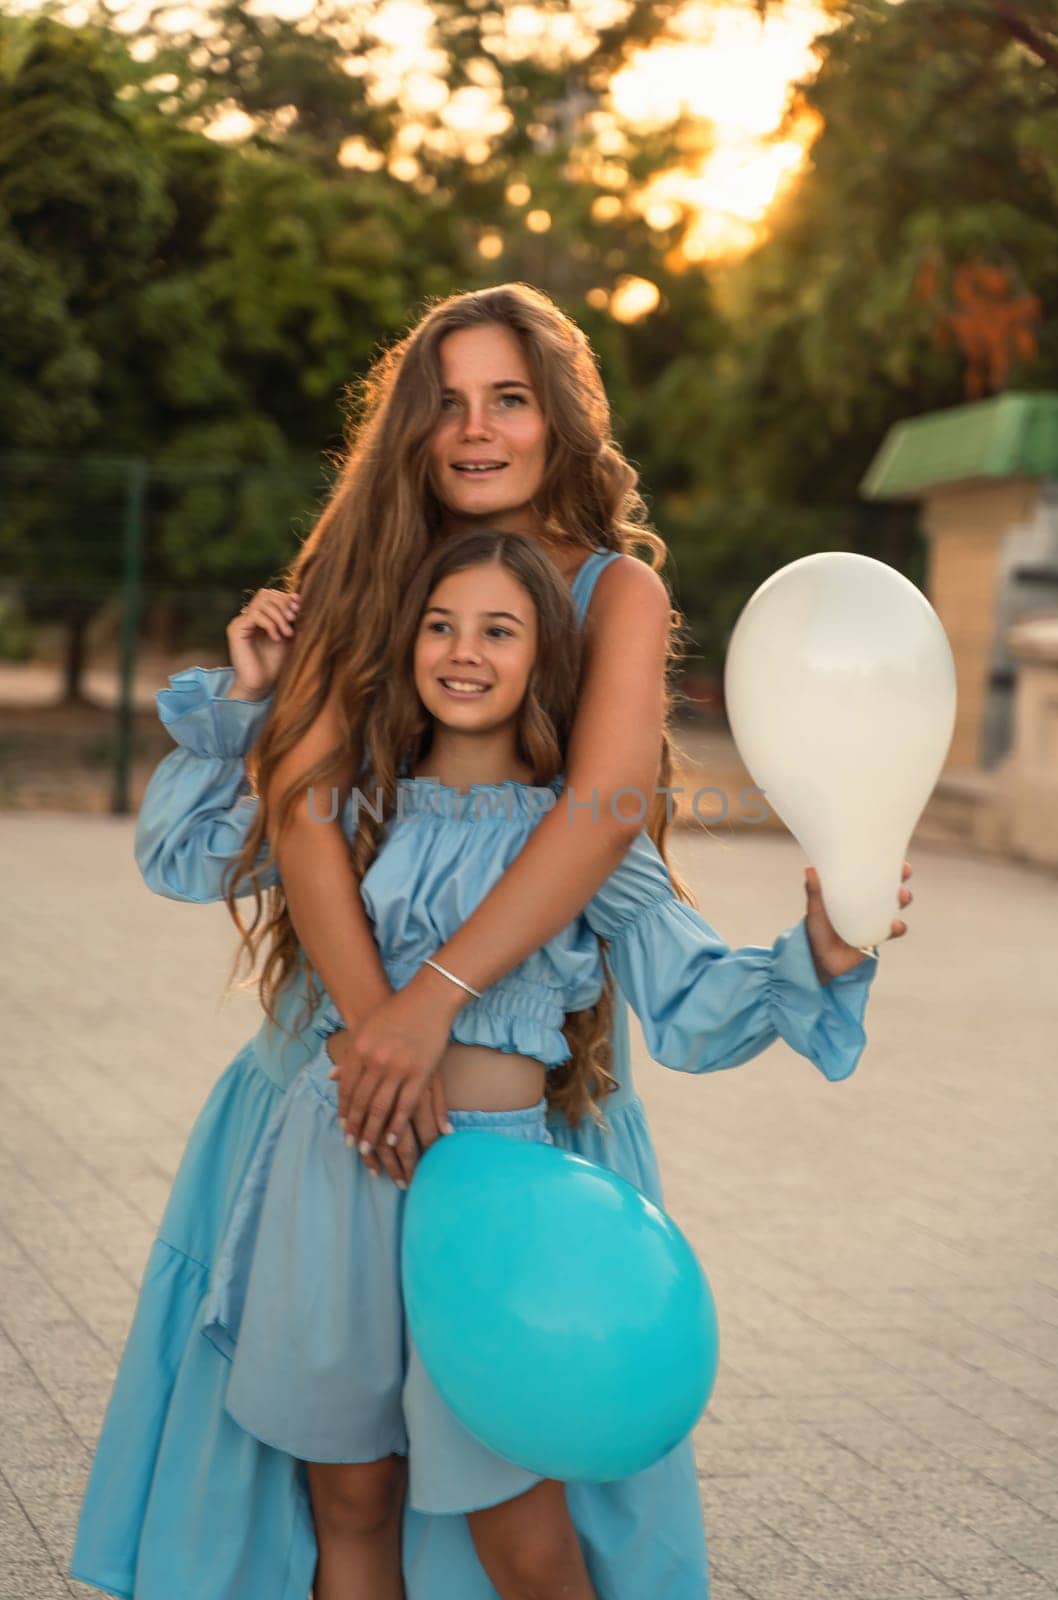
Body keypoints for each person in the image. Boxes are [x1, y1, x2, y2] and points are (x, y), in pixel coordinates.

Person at [71, 282, 911, 1600]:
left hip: (510, 1138)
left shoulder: (609, 589)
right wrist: (372, 1034)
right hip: (331, 1097)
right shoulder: (356, 579)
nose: (476, 430)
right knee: (341, 1482)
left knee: (514, 1482)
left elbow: (604, 812)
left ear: (556, 418)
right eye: (446, 403)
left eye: (507, 398)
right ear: (406, 428)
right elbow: (280, 816)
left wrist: (426, 1012)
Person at [203, 527, 901, 1600]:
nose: (462, 650)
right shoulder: (355, 809)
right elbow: (191, 847)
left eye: (498, 629)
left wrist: (823, 948)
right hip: (333, 1167)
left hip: (493, 1200)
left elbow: (693, 992)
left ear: (545, 663)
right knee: (347, 1502)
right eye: (438, 624)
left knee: (516, 1526)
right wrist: (250, 698)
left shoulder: (582, 844)